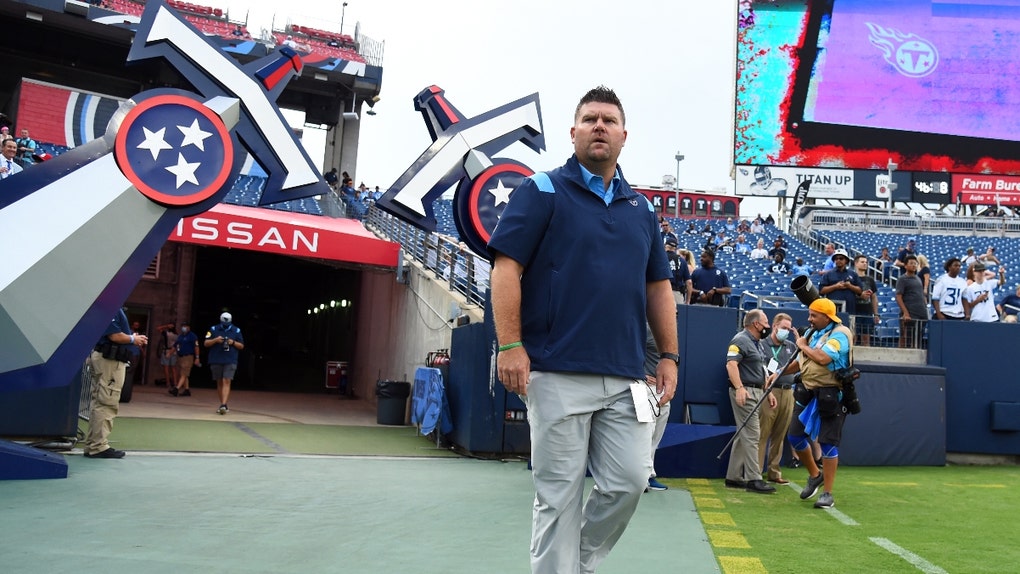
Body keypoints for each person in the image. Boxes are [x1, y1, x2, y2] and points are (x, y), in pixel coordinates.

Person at [487, 86, 678, 574]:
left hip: (628, 375)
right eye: (590, 119)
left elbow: (658, 287)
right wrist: (510, 344)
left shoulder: (643, 209)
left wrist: (670, 355)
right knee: (558, 497)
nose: (599, 126)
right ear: (573, 132)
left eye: (608, 120)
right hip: (556, 372)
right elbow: (506, 268)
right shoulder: (543, 189)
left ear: (623, 135)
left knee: (630, 482)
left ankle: (578, 563)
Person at [788, 298, 853, 509]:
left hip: (832, 395)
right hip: (808, 392)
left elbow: (824, 358)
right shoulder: (813, 333)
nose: (809, 319)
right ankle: (815, 475)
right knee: (794, 436)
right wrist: (777, 374)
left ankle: (828, 493)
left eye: (813, 315)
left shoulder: (840, 334)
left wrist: (803, 345)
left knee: (827, 443)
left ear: (826, 317)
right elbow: (801, 362)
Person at [723, 309, 777, 494]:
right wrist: (739, 388)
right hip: (745, 390)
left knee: (743, 434)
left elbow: (761, 368)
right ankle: (754, 478)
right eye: (766, 323)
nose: (768, 327)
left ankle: (734, 476)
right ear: (756, 324)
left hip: (756, 390)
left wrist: (767, 391)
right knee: (753, 434)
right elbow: (731, 364)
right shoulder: (740, 340)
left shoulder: (757, 343)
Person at [84, 308, 148, 458]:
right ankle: (99, 446)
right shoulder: (111, 308)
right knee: (107, 401)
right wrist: (133, 339)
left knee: (99, 401)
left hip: (104, 358)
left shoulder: (108, 306)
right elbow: (115, 336)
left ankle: (92, 444)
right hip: (109, 361)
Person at [758, 313, 799, 484]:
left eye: (788, 329)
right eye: (783, 328)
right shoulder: (762, 344)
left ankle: (774, 472)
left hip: (788, 391)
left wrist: (799, 342)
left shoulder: (791, 346)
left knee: (780, 434)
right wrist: (766, 390)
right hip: (769, 390)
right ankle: (756, 472)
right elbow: (760, 369)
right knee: (763, 432)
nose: (786, 332)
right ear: (774, 326)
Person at [643, 323, 672, 492]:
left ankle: (649, 475)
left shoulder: (668, 334)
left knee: (655, 437)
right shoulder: (645, 328)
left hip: (663, 389)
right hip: (646, 388)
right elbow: (630, 352)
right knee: (645, 434)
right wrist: (639, 373)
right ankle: (642, 476)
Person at [205, 312, 245, 414]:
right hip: (216, 359)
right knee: (219, 382)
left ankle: (223, 404)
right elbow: (206, 343)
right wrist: (215, 340)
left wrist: (233, 342)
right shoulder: (213, 329)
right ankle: (223, 403)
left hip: (230, 359)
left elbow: (241, 346)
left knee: (226, 380)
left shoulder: (236, 330)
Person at [895, 255, 929, 347]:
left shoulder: (918, 278)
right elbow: (898, 296)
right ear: (905, 266)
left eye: (915, 263)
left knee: (917, 338)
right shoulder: (902, 279)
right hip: (910, 314)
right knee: (906, 337)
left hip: (921, 313)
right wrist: (905, 313)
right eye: (911, 263)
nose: (914, 265)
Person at [819, 249, 861, 316]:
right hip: (832, 311)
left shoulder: (853, 274)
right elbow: (821, 290)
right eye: (836, 259)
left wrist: (850, 286)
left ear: (846, 260)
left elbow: (860, 290)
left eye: (841, 258)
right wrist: (835, 286)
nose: (838, 260)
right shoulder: (828, 274)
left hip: (849, 310)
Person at [853, 255, 879, 345]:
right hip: (854, 311)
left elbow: (874, 297)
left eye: (866, 262)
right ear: (856, 263)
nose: (865, 264)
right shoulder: (852, 278)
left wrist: (876, 314)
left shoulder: (870, 280)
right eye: (862, 262)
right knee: (852, 337)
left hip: (867, 312)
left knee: (866, 339)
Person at [170, 321, 200, 397]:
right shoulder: (180, 336)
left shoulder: (192, 336)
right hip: (181, 357)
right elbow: (175, 346)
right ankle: (187, 390)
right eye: (183, 326)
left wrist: (197, 357)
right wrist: (169, 353)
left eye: (185, 326)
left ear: (189, 327)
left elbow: (196, 347)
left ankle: (176, 389)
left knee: (184, 373)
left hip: (188, 357)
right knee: (184, 374)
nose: (184, 327)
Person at [665, 236, 692, 305]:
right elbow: (689, 282)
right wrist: (687, 301)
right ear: (675, 248)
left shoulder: (658, 258)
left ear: (665, 246)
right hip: (676, 294)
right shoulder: (682, 261)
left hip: (659, 292)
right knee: (677, 315)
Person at [158, 323, 178, 388]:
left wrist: (166, 326)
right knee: (172, 368)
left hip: (168, 351)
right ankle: (174, 383)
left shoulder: (167, 333)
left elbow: (158, 328)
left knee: (168, 368)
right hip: (173, 351)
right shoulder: (176, 335)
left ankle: (169, 383)